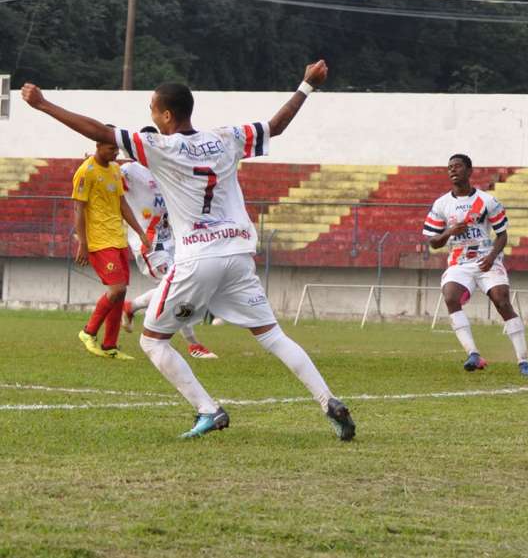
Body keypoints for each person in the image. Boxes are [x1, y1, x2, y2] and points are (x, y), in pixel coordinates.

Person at [21, 60, 356, 441]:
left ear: (165, 115)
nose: (150, 115)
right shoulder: (226, 137)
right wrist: (307, 85)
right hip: (238, 254)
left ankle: (208, 410)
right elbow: (275, 126)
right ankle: (329, 401)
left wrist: (45, 105)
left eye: (151, 109)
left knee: (152, 340)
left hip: (198, 256)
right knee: (272, 335)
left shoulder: (160, 146)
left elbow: (101, 131)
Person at [422, 154, 528, 375]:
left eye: (458, 166)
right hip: (459, 263)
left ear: (470, 171)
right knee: (451, 297)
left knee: (502, 301)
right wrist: (450, 231)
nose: (453, 170)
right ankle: (473, 354)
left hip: (486, 260)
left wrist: (491, 257)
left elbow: (502, 235)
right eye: (450, 167)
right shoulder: (442, 204)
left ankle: (523, 361)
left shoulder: (487, 201)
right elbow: (433, 242)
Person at [121, 130, 218, 359]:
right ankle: (193, 344)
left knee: (183, 288)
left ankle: (131, 306)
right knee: (178, 289)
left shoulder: (163, 170)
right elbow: (106, 186)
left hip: (173, 242)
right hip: (150, 244)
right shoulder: (129, 171)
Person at [71, 132, 150, 360]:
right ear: (97, 145)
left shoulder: (115, 169)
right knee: (116, 289)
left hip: (117, 238)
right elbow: (79, 209)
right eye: (110, 149)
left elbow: (122, 203)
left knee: (121, 290)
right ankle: (88, 331)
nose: (114, 154)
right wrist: (83, 243)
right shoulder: (86, 172)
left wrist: (140, 232)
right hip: (98, 241)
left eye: (116, 150)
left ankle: (109, 346)